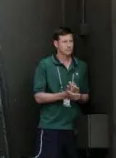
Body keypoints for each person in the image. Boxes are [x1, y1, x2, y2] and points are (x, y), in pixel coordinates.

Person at [33, 27, 90, 158]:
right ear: (56, 44)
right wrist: (64, 95)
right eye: (64, 41)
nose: (69, 45)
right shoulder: (45, 64)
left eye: (71, 41)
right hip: (51, 127)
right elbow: (38, 97)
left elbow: (86, 97)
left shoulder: (81, 66)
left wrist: (78, 96)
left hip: (74, 128)